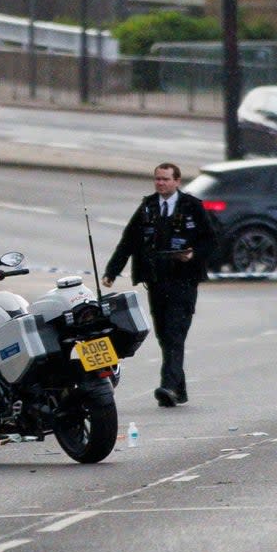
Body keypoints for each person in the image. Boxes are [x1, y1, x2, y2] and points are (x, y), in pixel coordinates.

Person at [102, 163, 217, 408]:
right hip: (156, 282)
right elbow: (129, 240)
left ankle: (168, 386)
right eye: (157, 179)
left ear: (177, 181)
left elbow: (211, 240)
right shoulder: (148, 207)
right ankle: (178, 389)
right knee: (165, 336)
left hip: (183, 282)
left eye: (165, 179)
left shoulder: (191, 206)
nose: (160, 183)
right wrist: (112, 271)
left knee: (175, 334)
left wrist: (193, 254)